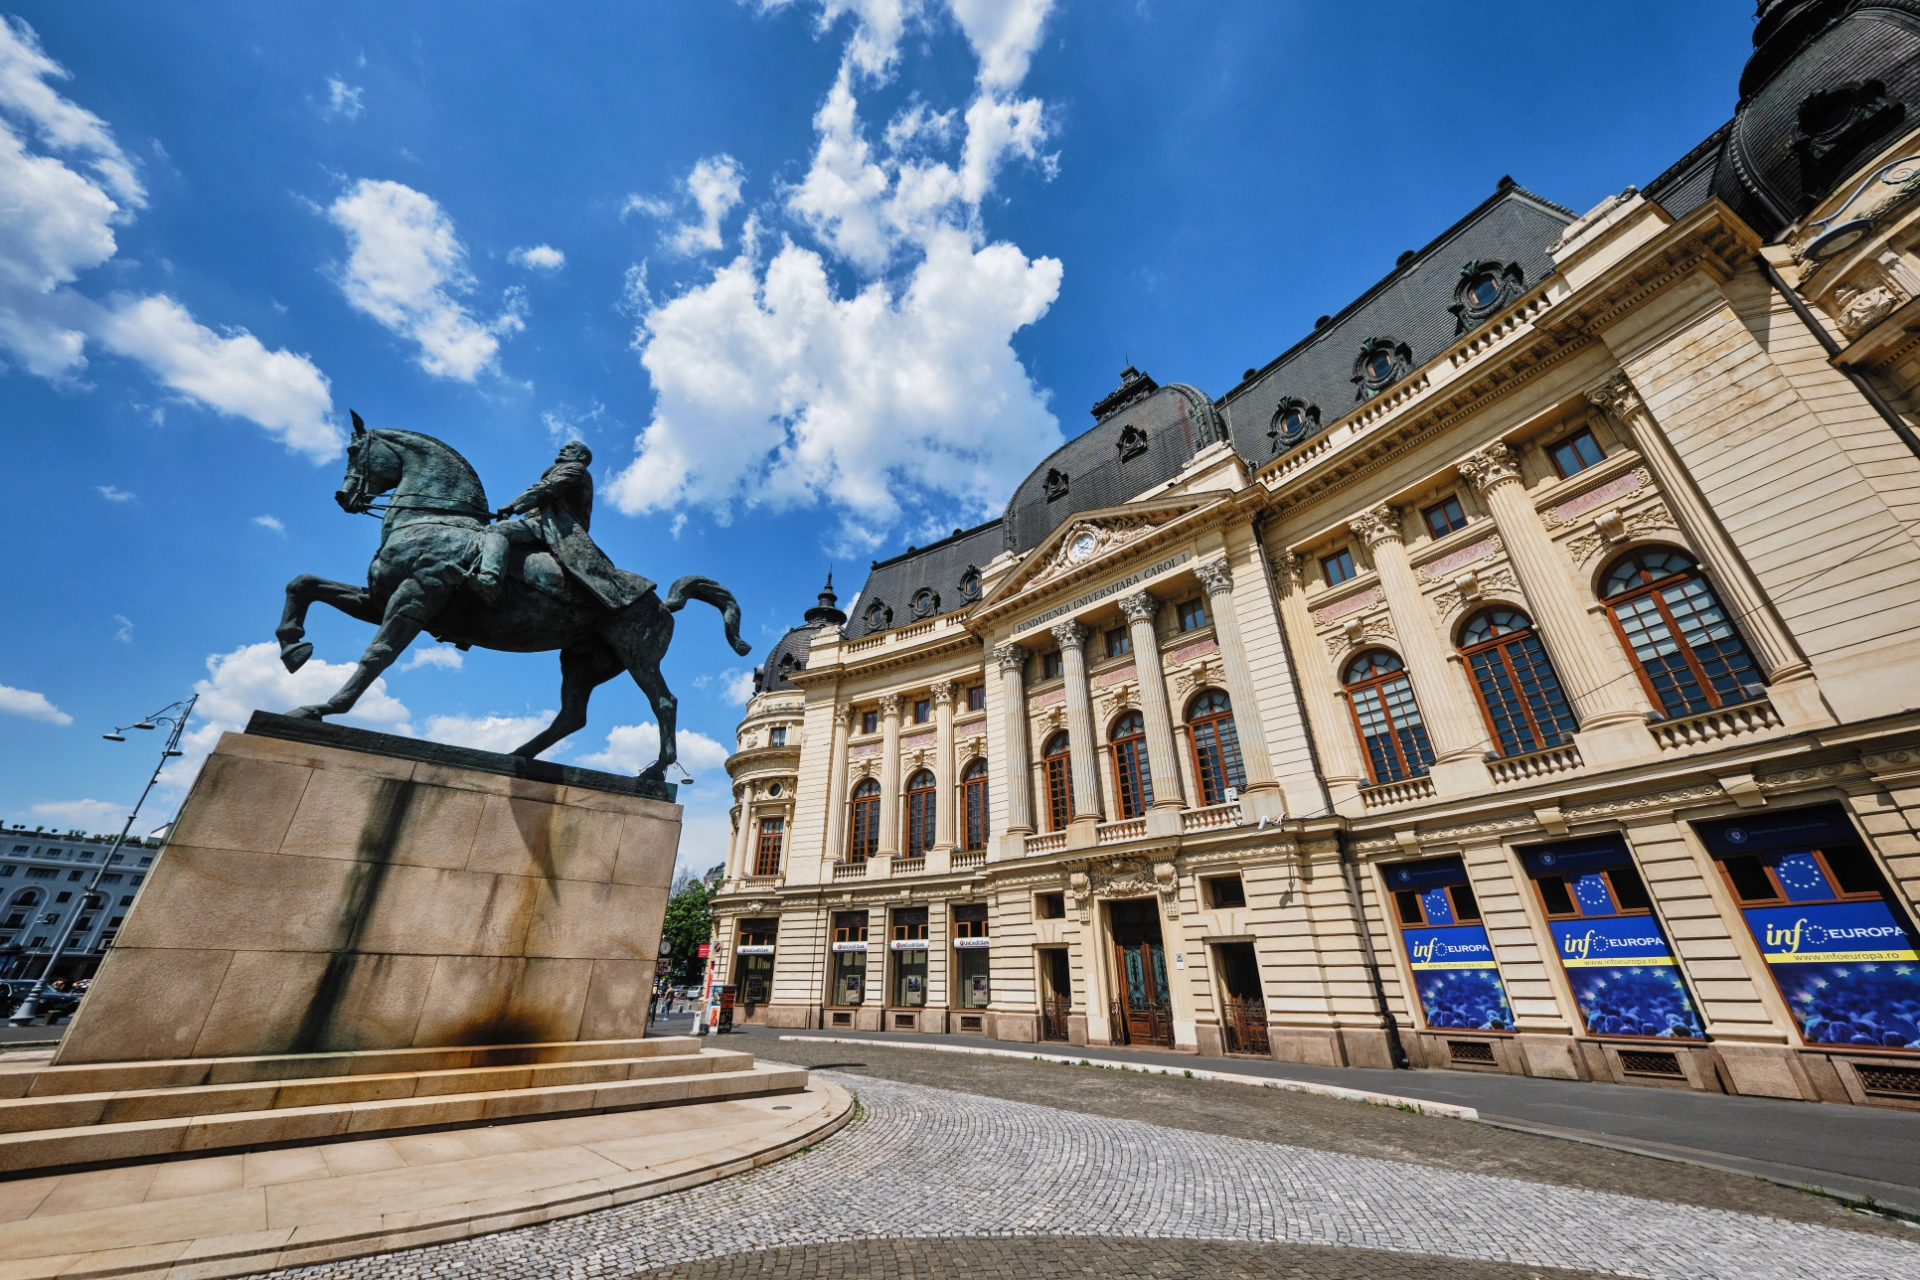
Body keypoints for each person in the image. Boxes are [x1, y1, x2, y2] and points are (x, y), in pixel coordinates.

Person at [473, 441, 653, 609]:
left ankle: (489, 582)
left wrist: (513, 506)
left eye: (569, 448)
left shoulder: (576, 469)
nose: (562, 450)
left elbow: (547, 487)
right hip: (541, 525)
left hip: (555, 529)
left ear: (581, 457)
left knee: (497, 530)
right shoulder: (569, 469)